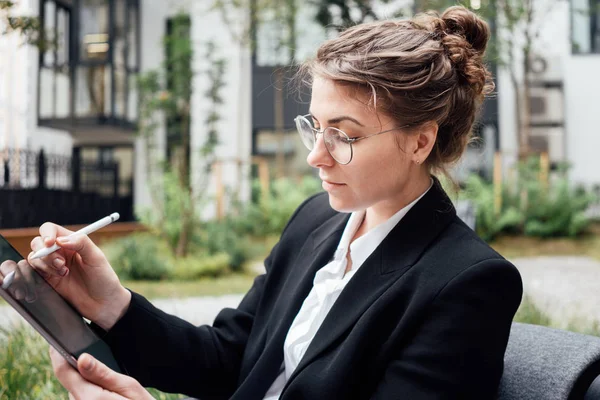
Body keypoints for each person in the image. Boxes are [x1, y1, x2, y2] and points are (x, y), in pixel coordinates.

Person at [11, 5, 522, 399]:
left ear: (420, 142)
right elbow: (230, 360)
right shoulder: (317, 221)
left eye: (344, 136)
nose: (315, 157)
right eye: (315, 128)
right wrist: (111, 304)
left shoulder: (468, 284)